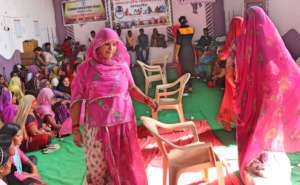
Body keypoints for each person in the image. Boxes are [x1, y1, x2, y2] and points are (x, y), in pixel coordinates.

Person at [71, 28, 157, 185]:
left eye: (114, 44)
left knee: (126, 165)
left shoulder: (122, 66)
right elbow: (76, 100)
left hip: (123, 125)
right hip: (98, 128)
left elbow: (131, 88)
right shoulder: (85, 69)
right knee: (98, 170)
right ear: (97, 45)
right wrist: (75, 128)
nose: (111, 49)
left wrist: (147, 100)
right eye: (106, 44)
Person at [235, 6, 300, 183]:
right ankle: (258, 157)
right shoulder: (267, 40)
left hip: (258, 96)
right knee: (262, 128)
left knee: (257, 128)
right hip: (265, 96)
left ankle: (256, 158)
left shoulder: (248, 42)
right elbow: (284, 66)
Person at [215, 16, 243, 131]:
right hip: (235, 74)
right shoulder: (238, 40)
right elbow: (225, 56)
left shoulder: (237, 40)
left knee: (233, 100)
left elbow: (223, 56)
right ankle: (226, 120)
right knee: (232, 99)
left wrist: (221, 54)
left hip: (237, 74)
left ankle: (228, 121)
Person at [175, 16, 195, 93]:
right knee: (190, 69)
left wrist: (176, 55)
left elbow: (178, 44)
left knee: (184, 69)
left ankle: (185, 86)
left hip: (183, 51)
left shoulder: (179, 30)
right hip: (190, 50)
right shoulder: (192, 29)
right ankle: (190, 87)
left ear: (180, 22)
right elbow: (189, 38)